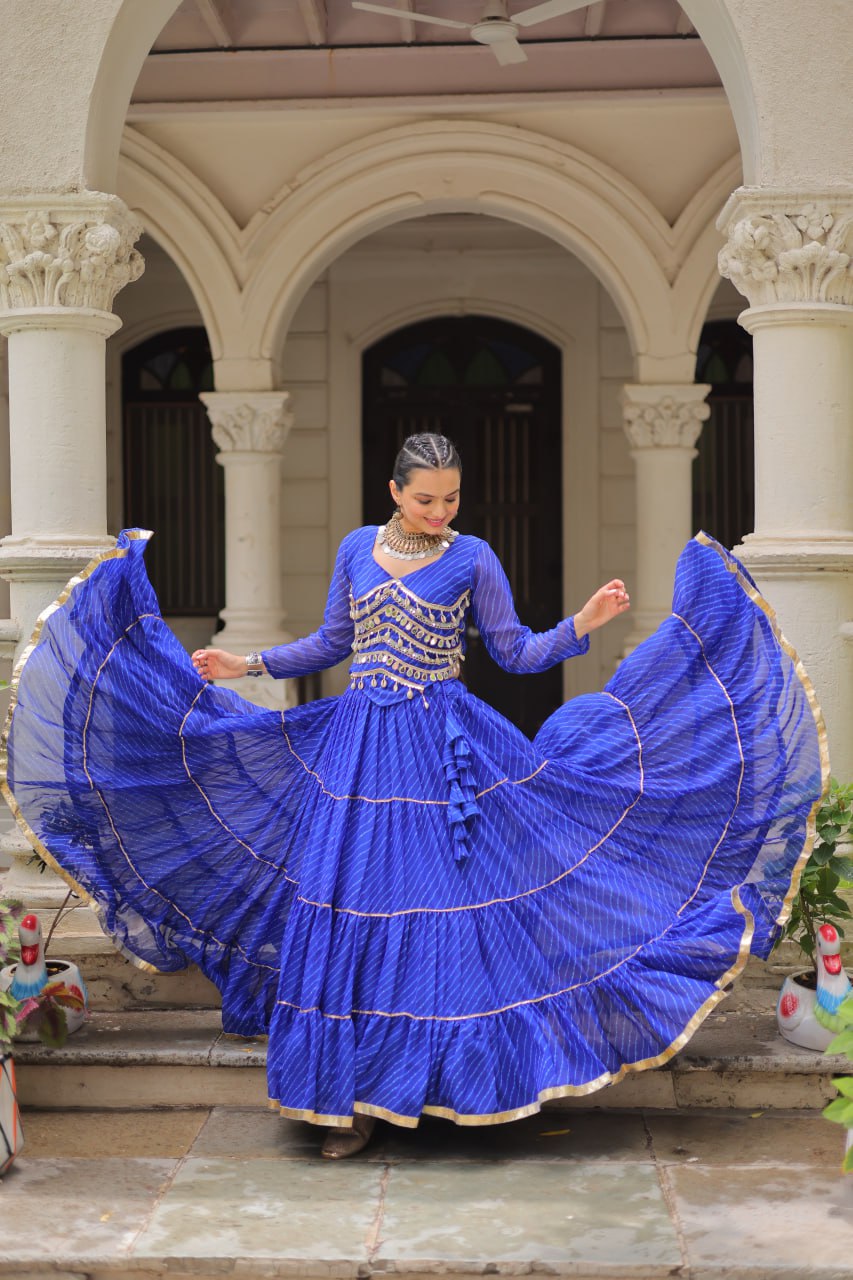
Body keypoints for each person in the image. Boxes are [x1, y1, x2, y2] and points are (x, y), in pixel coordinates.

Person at [2, 433, 825, 1160]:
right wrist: (243, 665)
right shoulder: (357, 547)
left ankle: (444, 1092)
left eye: (452, 497)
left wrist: (583, 621)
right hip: (358, 750)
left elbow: (517, 652)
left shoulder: (473, 558)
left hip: (443, 754)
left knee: (444, 910)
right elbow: (332, 642)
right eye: (425, 497)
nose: (440, 510)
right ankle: (342, 1105)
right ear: (394, 493)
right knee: (346, 907)